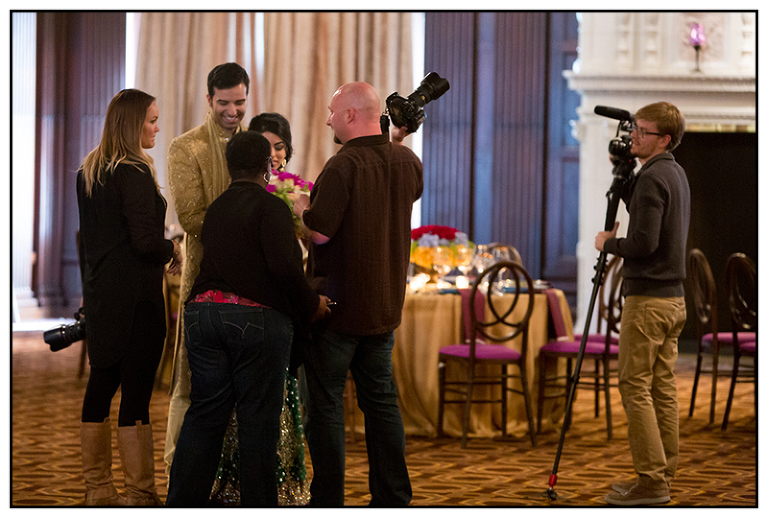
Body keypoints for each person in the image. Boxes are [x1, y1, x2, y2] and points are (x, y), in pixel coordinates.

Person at [165, 131, 330, 507]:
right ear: (268, 167)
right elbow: (285, 271)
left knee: (204, 417)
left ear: (228, 166)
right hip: (253, 322)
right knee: (258, 425)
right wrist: (312, 304)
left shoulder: (217, 208)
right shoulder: (271, 208)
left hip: (202, 316)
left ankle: (180, 506)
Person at [292, 82, 423, 506]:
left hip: (337, 310)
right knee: (381, 405)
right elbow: (405, 189)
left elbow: (321, 232)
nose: (328, 119)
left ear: (350, 115)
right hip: (384, 308)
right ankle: (393, 498)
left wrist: (299, 209)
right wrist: (395, 140)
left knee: (327, 406)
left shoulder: (342, 166)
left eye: (332, 111)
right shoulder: (407, 160)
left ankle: (328, 501)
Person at [76, 88, 182, 506]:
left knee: (101, 385)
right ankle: (139, 492)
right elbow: (144, 242)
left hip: (103, 294)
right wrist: (172, 250)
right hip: (137, 297)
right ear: (131, 123)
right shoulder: (134, 172)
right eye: (152, 120)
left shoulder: (90, 170)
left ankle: (98, 490)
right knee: (136, 392)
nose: (157, 127)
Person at [210, 112, 312, 505]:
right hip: (255, 312)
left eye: (279, 146)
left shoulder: (298, 191)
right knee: (246, 409)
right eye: (265, 147)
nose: (273, 155)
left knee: (279, 403)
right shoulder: (243, 195)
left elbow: (303, 250)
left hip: (279, 308)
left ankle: (281, 483)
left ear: (287, 150)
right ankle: (241, 488)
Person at [595, 102, 690, 506]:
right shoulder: (672, 172)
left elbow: (643, 244)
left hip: (649, 301)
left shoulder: (654, 179)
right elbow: (650, 218)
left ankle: (651, 482)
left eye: (643, 132)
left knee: (634, 386)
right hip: (673, 300)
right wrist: (628, 174)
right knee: (661, 388)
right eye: (635, 128)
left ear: (664, 139)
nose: (634, 135)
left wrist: (607, 244)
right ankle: (662, 473)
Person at [164, 62, 249, 476]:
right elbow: (191, 217)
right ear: (208, 100)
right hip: (205, 273)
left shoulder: (253, 143)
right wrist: (248, 224)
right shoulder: (187, 146)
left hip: (252, 279)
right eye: (224, 103)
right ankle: (191, 472)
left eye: (240, 102)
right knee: (200, 380)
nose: (232, 111)